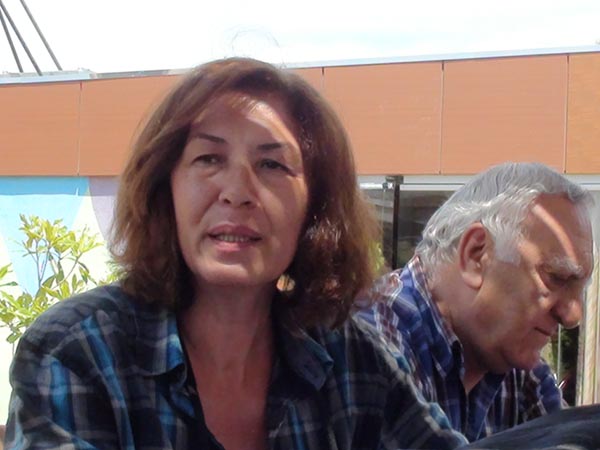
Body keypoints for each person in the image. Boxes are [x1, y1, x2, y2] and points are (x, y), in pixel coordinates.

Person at [4, 58, 466, 450]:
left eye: (272, 164)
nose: (238, 192)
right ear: (166, 188)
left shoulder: (352, 358)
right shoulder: (78, 350)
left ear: (315, 206)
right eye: (208, 159)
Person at [358, 162, 594, 442]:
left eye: (580, 290)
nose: (573, 316)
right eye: (556, 277)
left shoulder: (518, 366)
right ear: (476, 255)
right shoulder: (371, 347)